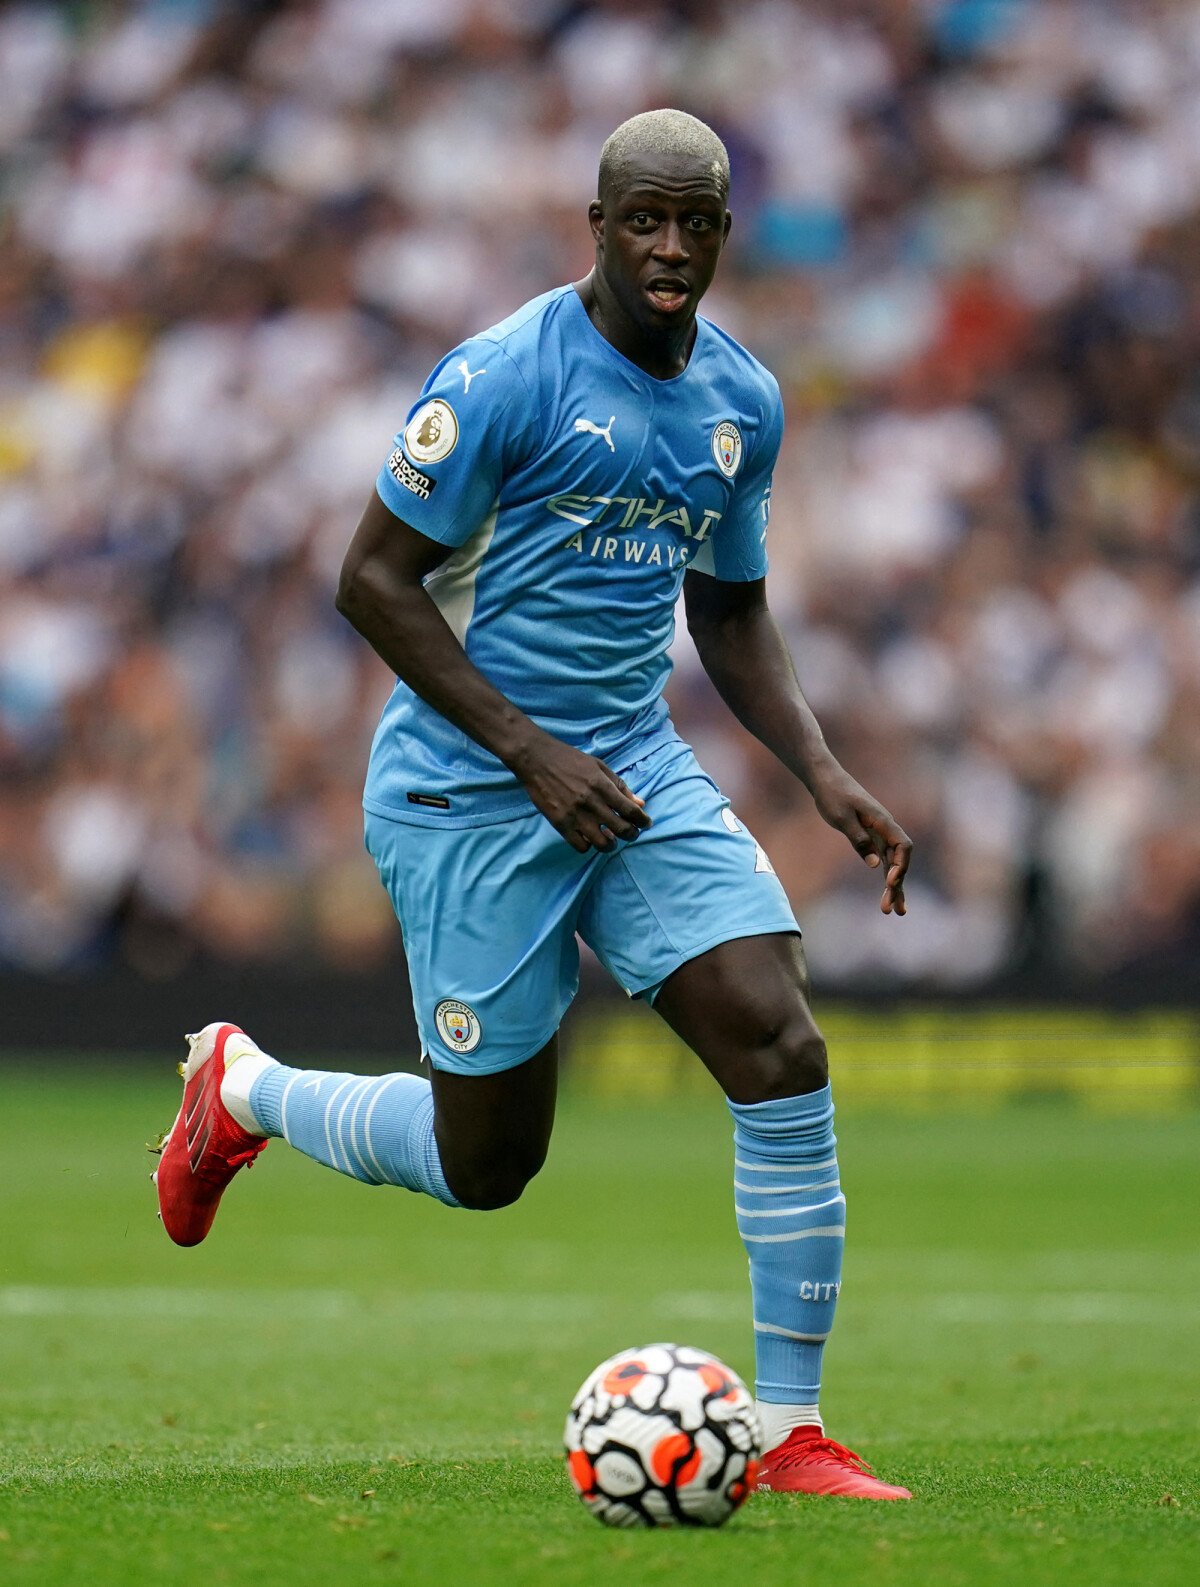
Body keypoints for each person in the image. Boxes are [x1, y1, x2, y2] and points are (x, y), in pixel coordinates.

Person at [152, 109, 913, 1501]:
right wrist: (526, 752)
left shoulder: (742, 400)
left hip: (627, 766)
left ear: (726, 231)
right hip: (467, 788)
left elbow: (731, 614)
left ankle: (794, 1427)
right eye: (643, 220)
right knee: (487, 1163)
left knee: (779, 1041)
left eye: (695, 222)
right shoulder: (502, 375)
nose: (670, 248)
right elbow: (369, 580)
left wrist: (826, 771)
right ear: (599, 226)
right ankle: (242, 1089)